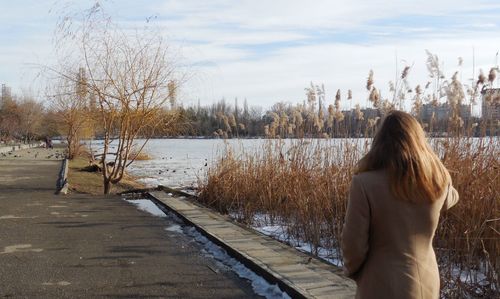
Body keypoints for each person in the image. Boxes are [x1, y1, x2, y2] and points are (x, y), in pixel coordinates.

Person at [341, 110, 459, 299]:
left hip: (380, 283)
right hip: (426, 281)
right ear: (419, 141)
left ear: (379, 142)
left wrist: (355, 272)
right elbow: (452, 197)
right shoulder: (437, 182)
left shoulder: (364, 184)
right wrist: (435, 165)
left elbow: (353, 244)